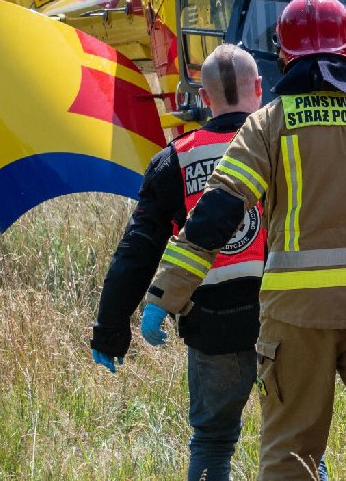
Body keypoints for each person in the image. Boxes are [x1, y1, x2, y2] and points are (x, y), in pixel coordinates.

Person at [144, 0, 346, 481]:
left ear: (284, 56)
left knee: (292, 457)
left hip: (297, 317)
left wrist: (166, 294)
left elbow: (218, 213)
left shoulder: (268, 124)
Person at [89, 43, 266, 481]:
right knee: (298, 443)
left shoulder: (175, 160)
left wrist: (112, 330)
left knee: (212, 443)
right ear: (258, 89)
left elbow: (137, 251)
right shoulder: (282, 148)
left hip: (213, 327)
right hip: (285, 321)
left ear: (204, 98)